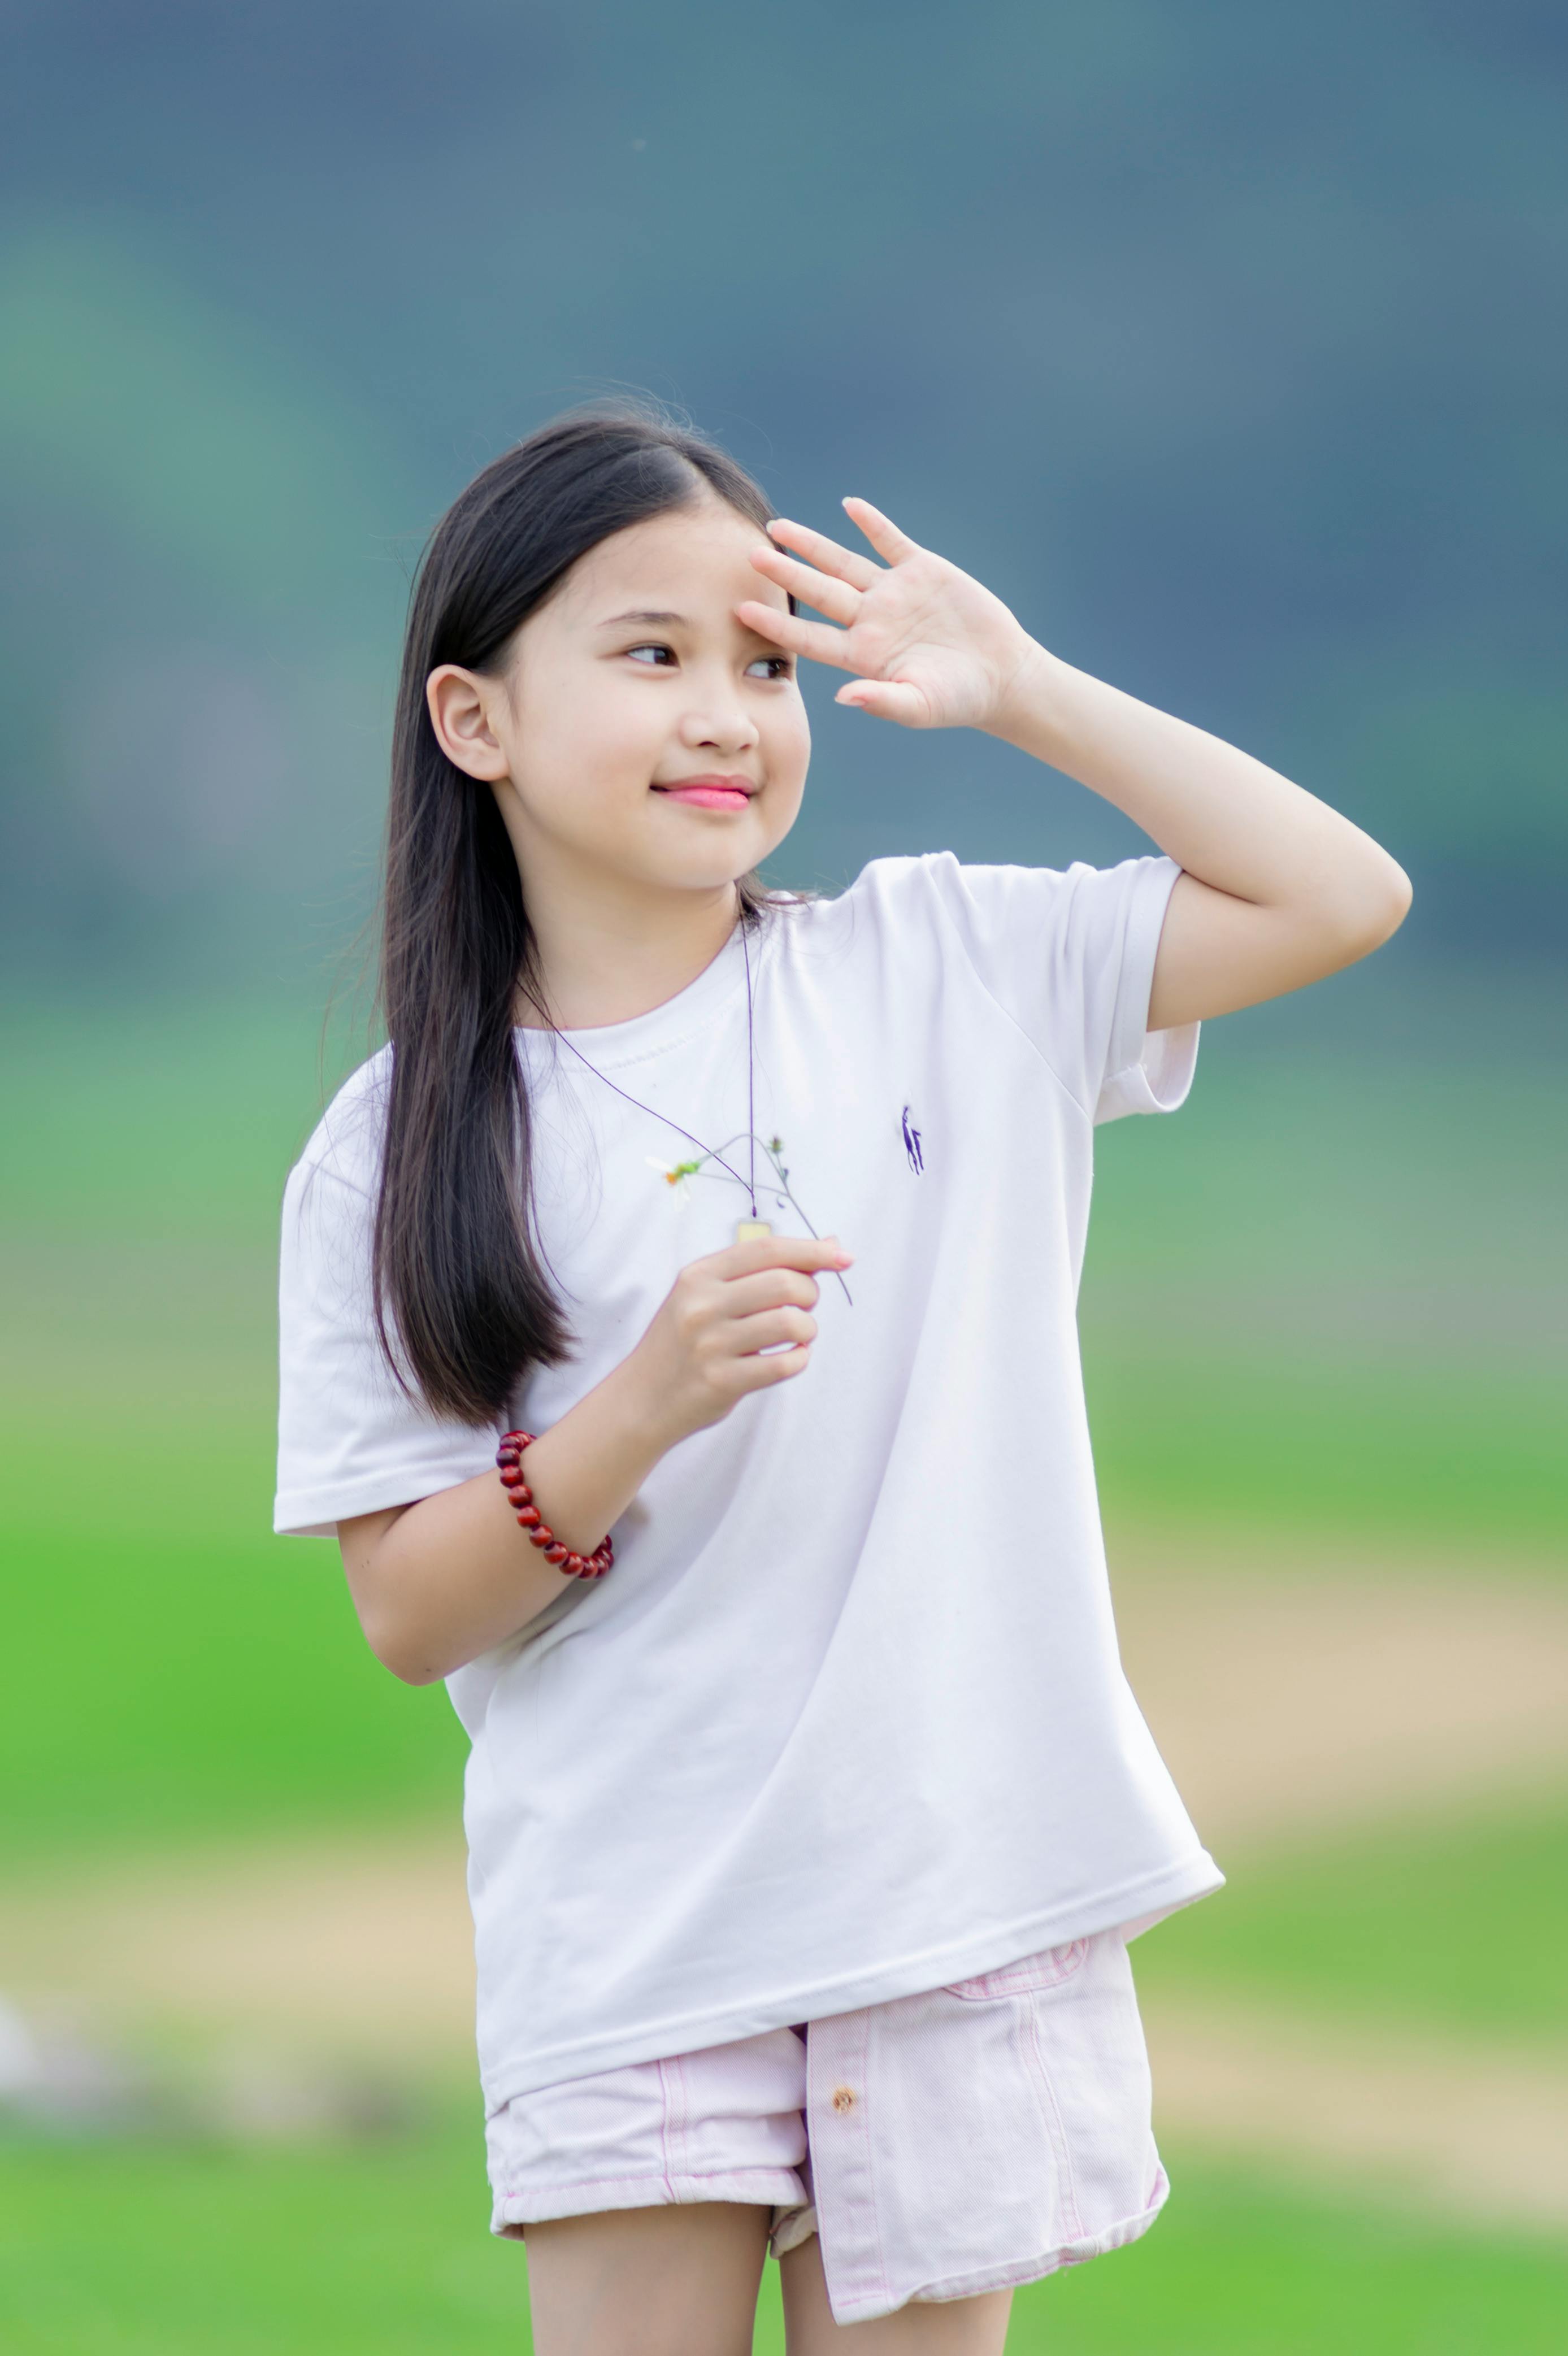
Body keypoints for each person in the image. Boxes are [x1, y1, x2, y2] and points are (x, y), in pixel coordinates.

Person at [273, 404, 1411, 2354]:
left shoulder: (947, 964)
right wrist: (639, 1405)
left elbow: (1338, 895)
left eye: (765, 664)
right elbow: (408, 1610)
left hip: (948, 1896)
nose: (726, 716)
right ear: (475, 719)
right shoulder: (394, 1148)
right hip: (631, 1928)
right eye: (652, 655)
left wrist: (1027, 689)